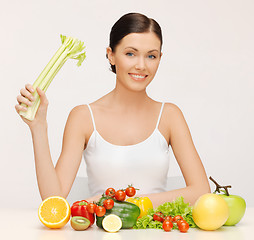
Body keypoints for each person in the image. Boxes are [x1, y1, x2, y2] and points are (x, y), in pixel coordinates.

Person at [15, 13, 210, 207]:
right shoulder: (83, 117)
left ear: (160, 58)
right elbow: (53, 201)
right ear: (111, 55)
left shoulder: (170, 115)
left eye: (151, 56)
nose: (141, 66)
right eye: (130, 53)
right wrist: (38, 127)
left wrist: (118, 202)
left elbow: (201, 192)